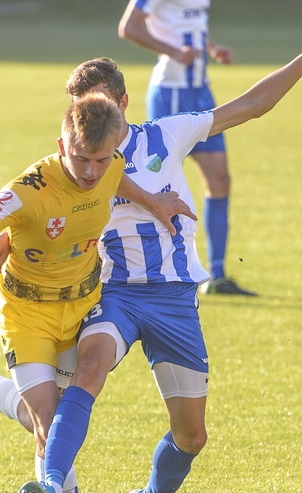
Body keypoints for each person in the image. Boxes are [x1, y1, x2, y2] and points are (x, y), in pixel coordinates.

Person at [0, 6, 302, 493]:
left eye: (95, 108)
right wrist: (4, 241)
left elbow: (251, 105)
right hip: (110, 296)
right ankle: (49, 486)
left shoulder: (166, 135)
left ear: (120, 105)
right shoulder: (81, 161)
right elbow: (40, 205)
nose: (84, 124)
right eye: (76, 112)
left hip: (175, 300)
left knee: (192, 436)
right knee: (83, 377)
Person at [0, 94, 191, 493]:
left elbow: (120, 177)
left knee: (49, 422)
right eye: (82, 159)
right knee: (50, 422)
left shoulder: (111, 163)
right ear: (62, 145)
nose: (94, 172)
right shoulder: (30, 188)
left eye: (102, 159)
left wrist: (156, 201)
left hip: (81, 307)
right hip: (25, 313)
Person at [118, 0, 255, 296]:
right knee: (158, 182)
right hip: (171, 92)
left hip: (200, 90)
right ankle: (155, 271)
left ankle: (217, 276)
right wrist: (174, 53)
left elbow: (188, 26)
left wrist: (212, 46)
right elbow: (128, 28)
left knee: (220, 181)